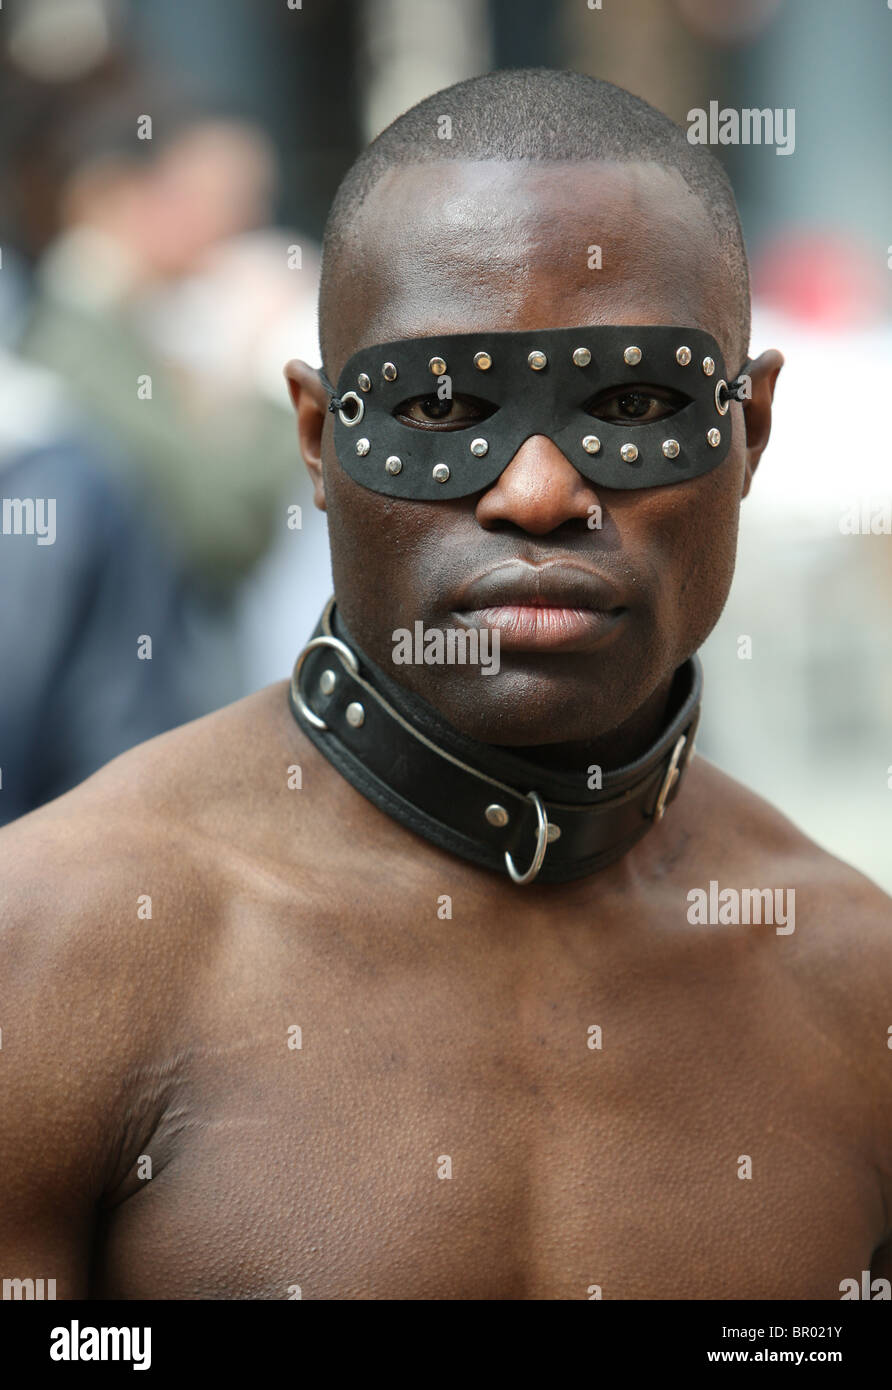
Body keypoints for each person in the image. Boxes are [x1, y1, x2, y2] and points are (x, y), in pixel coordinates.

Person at [0, 69, 889, 1301]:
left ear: (748, 434)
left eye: (632, 402)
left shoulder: (858, 982)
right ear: (316, 441)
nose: (534, 492)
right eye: (437, 405)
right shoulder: (56, 946)